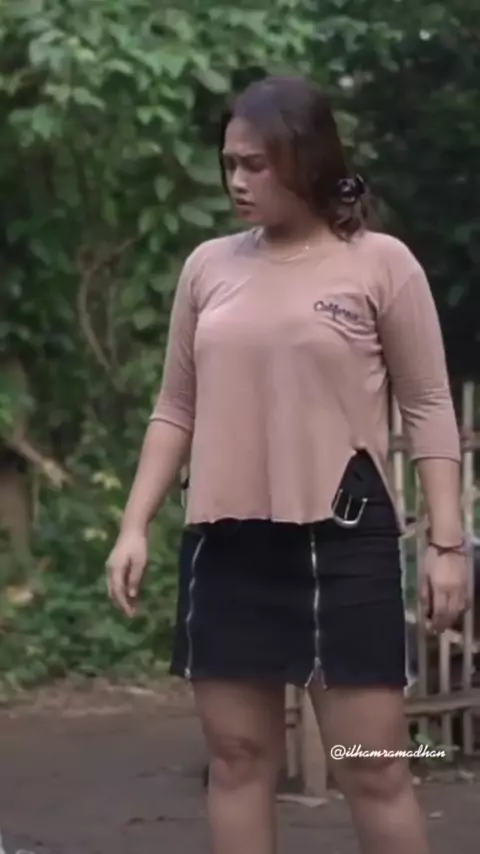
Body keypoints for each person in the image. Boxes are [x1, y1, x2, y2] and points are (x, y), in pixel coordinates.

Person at [106, 75, 470, 854]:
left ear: (306, 161)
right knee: (238, 761)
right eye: (229, 165)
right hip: (227, 545)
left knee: (372, 766)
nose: (237, 181)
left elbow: (429, 404)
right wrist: (134, 524)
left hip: (343, 541)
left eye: (256, 165)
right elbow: (175, 407)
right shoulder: (208, 267)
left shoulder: (380, 264)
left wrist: (447, 543)